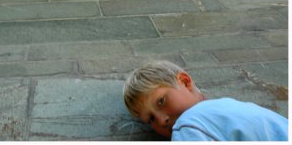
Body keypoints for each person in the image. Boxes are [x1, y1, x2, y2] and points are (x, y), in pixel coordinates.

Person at [123, 61, 288, 141]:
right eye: (150, 119)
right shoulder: (231, 108)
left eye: (161, 101)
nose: (161, 120)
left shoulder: (188, 124)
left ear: (186, 82)